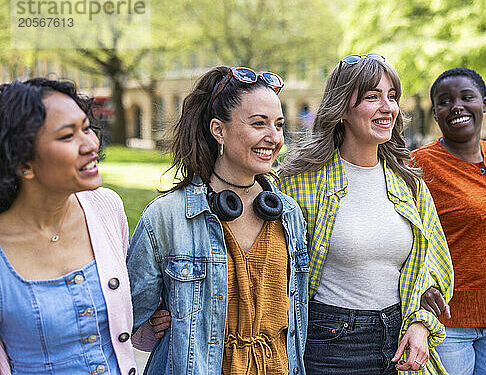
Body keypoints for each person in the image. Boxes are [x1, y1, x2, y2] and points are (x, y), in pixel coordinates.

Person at [126, 66, 309, 375]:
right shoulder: (166, 217)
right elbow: (125, 318)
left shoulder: (289, 214)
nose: (273, 137)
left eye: (278, 125)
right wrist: (152, 325)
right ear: (218, 130)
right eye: (258, 124)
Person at [278, 54, 454, 374]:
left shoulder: (408, 182)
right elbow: (273, 272)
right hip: (332, 342)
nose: (387, 107)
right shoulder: (298, 182)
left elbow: (435, 269)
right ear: (342, 108)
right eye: (372, 97)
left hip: (398, 341)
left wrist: (420, 326)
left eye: (392, 96)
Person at [0, 78, 148, 375]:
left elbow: (127, 321)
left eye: (86, 127)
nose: (92, 144)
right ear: (22, 163)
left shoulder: (106, 207)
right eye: (68, 136)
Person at [412, 67, 486, 375]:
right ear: (436, 114)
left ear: (483, 104)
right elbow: (401, 234)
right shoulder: (417, 165)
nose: (456, 106)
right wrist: (419, 285)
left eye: (467, 97)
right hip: (447, 323)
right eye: (445, 101)